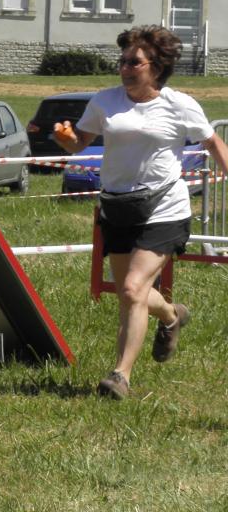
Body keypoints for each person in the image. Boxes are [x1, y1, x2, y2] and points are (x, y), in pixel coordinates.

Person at [53, 25, 228, 400]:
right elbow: (79, 141)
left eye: (134, 62)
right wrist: (66, 139)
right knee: (129, 293)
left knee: (132, 288)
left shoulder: (179, 105)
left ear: (156, 67)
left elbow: (212, 142)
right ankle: (171, 315)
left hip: (165, 207)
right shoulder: (105, 101)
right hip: (118, 206)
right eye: (123, 61)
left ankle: (120, 376)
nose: (126, 68)